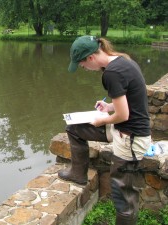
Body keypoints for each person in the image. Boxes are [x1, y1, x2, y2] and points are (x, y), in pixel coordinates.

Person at [58, 35, 151, 225]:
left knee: (122, 195)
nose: (84, 69)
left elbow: (123, 115)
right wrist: (108, 107)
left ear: (90, 58)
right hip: (124, 129)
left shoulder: (112, 73)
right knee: (74, 129)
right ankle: (78, 174)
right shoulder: (123, 61)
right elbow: (128, 103)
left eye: (82, 65)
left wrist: (103, 121)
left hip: (130, 137)